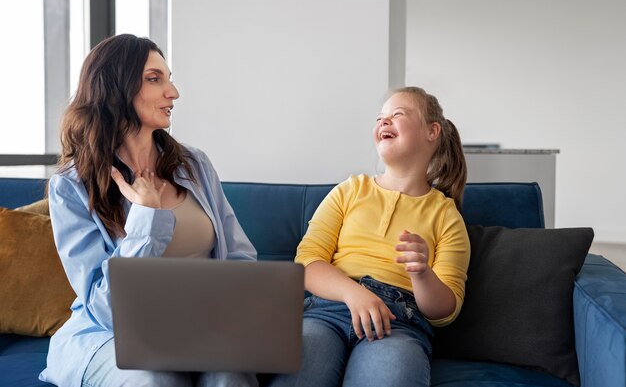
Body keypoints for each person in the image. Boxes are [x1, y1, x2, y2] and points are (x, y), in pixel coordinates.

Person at [38, 34, 258, 387]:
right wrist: (146, 219)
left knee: (230, 375)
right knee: (155, 379)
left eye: (169, 79)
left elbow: (240, 257)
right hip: (110, 336)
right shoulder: (71, 184)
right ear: (115, 88)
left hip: (202, 328)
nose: (173, 92)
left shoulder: (195, 164)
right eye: (155, 79)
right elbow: (105, 308)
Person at [268, 86, 471, 387]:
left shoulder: (446, 216)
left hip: (398, 322)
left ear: (432, 131)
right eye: (380, 118)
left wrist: (422, 273)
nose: (383, 122)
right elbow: (308, 262)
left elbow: (445, 311)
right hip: (327, 311)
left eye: (397, 115)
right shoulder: (348, 191)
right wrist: (355, 294)